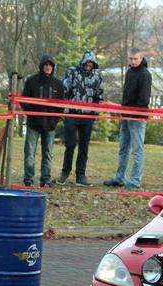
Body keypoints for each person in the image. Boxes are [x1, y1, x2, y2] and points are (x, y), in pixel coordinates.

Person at [104, 48, 152, 189]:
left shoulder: (145, 74)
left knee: (137, 150)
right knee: (123, 148)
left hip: (137, 117)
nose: (133, 61)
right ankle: (119, 177)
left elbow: (144, 99)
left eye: (135, 59)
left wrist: (132, 112)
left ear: (141, 58)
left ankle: (135, 180)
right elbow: (127, 96)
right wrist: (122, 110)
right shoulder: (129, 72)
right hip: (125, 115)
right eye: (131, 58)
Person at [56, 50, 103, 187]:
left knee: (84, 146)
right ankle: (65, 173)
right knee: (70, 144)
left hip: (88, 116)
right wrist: (64, 110)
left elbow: (99, 96)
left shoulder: (97, 76)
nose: (89, 64)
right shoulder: (71, 72)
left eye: (91, 62)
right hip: (72, 114)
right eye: (87, 62)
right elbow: (64, 91)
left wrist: (94, 114)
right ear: (83, 61)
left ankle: (81, 175)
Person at [21, 54, 64, 187]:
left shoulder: (58, 84)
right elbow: (24, 100)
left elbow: (61, 105)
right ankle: (28, 178)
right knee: (29, 153)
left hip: (50, 125)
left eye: (50, 65)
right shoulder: (31, 81)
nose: (48, 67)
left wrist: (54, 120)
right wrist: (32, 115)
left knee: (48, 154)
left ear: (53, 67)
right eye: (46, 65)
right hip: (33, 124)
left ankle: (45, 179)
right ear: (41, 66)